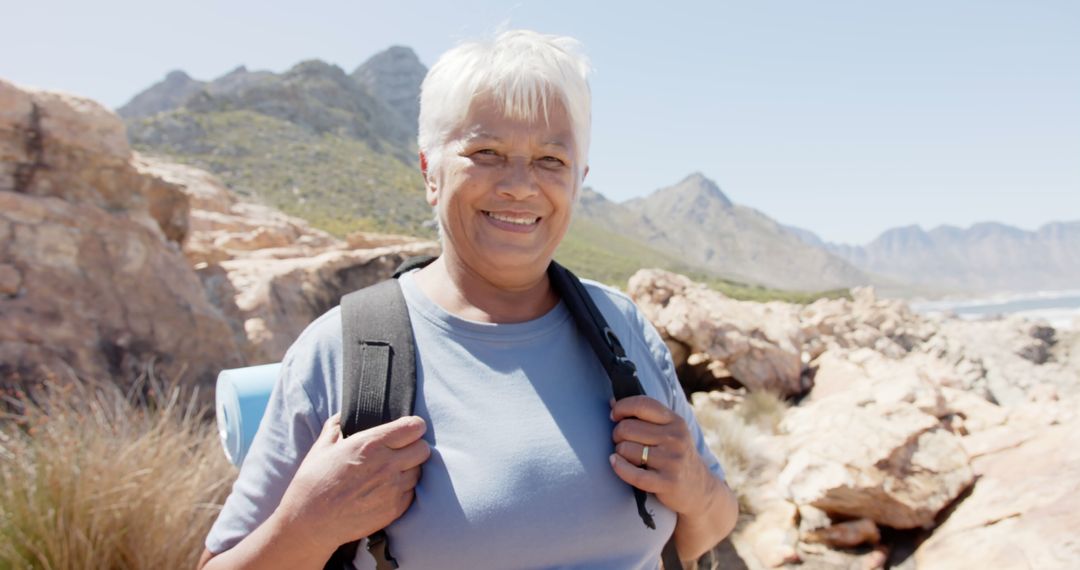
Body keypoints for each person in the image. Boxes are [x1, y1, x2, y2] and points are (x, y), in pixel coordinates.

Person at [198, 29, 737, 570]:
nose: (521, 185)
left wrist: (694, 486)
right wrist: (308, 526)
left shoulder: (623, 329)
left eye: (551, 159)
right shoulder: (343, 350)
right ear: (430, 171)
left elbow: (698, 536)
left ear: (579, 180)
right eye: (487, 152)